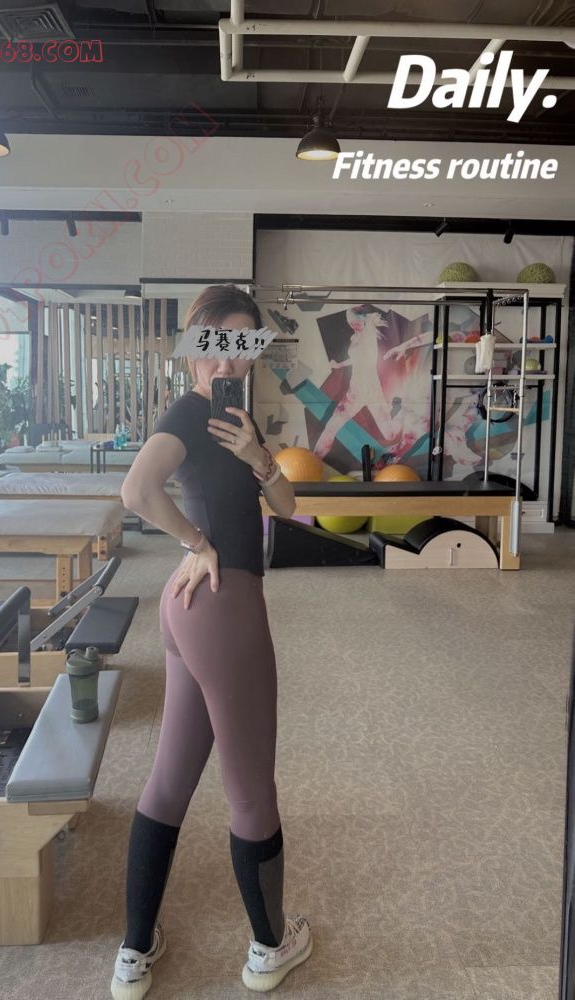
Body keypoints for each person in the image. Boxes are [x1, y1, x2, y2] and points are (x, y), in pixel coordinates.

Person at [111, 285, 313, 999]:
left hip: (189, 611)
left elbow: (288, 505)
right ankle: (270, 948)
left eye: (240, 345)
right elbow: (138, 491)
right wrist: (197, 541)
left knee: (170, 780)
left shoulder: (234, 420)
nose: (226, 361)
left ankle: (134, 953)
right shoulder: (188, 412)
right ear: (193, 345)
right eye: (214, 343)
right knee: (251, 792)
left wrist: (261, 456)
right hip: (223, 606)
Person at [314, 305, 397, 458]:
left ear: (363, 319)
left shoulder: (369, 332)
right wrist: (339, 365)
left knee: (390, 435)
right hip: (355, 392)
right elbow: (357, 358)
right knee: (331, 426)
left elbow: (369, 320)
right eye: (350, 323)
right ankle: (315, 458)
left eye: (355, 322)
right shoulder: (354, 337)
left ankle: (398, 411)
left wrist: (367, 317)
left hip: (372, 391)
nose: (353, 326)